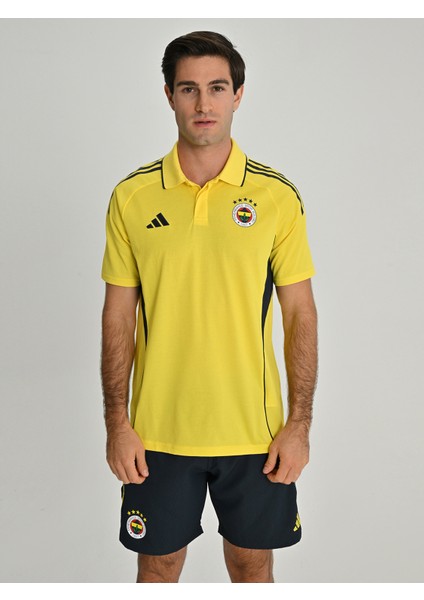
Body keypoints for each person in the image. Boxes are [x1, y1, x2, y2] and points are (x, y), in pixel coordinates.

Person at [100, 30, 318, 583]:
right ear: (169, 96)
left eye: (217, 88)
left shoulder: (276, 197)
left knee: (251, 565)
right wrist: (117, 423)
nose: (203, 103)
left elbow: (300, 314)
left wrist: (298, 425)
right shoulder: (132, 197)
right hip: (157, 434)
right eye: (189, 89)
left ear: (238, 95)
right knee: (158, 568)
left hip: (256, 433)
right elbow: (118, 317)